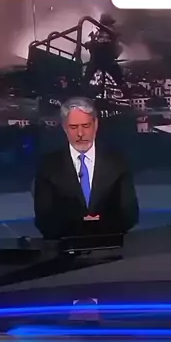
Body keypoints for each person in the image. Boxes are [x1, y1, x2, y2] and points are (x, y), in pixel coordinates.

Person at [34, 97, 139, 240]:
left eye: (85, 126)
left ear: (96, 125)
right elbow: (44, 218)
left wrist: (100, 233)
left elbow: (129, 214)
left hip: (110, 245)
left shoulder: (117, 163)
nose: (80, 133)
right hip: (65, 247)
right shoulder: (48, 166)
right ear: (64, 128)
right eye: (73, 127)